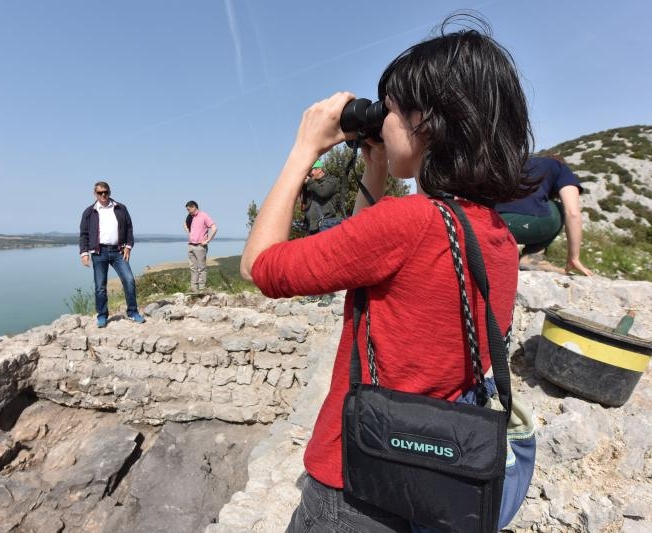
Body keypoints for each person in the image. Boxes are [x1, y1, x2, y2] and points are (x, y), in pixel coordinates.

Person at [240, 18, 531, 532]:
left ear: (430, 123)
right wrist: (374, 169)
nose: (386, 120)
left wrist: (304, 150)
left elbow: (259, 266)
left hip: (355, 480)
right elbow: (363, 258)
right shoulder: (494, 234)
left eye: (392, 109)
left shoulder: (410, 223)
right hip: (431, 474)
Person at [496, 155, 594, 275]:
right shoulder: (560, 167)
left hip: (491, 223)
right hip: (522, 226)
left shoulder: (519, 161)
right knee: (559, 207)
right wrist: (574, 258)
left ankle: (504, 252)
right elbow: (572, 213)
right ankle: (532, 257)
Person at [79, 181, 145, 327]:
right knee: (100, 286)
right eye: (100, 193)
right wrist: (84, 253)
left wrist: (128, 246)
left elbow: (129, 228)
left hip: (118, 251)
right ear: (94, 194)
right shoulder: (89, 212)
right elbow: (84, 234)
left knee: (129, 280)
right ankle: (102, 315)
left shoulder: (120, 208)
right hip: (98, 252)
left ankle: (133, 312)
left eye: (105, 192)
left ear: (110, 192)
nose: (103, 195)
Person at [184, 200, 217, 292]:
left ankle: (202, 288)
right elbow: (185, 224)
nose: (188, 211)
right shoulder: (190, 217)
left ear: (194, 207)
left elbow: (214, 228)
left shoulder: (204, 215)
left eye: (188, 209)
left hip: (200, 246)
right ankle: (194, 288)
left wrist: (207, 241)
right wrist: (189, 233)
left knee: (201, 268)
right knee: (193, 268)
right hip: (190, 245)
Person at [302, 159, 342, 234]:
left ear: (319, 169)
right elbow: (304, 206)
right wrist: (303, 187)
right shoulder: (311, 185)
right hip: (312, 228)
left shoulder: (332, 180)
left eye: (311, 171)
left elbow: (323, 192)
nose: (309, 174)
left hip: (325, 225)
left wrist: (309, 182)